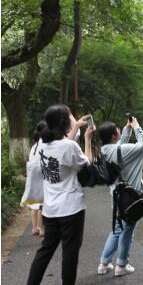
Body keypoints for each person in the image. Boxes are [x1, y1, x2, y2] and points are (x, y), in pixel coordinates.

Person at [26, 105, 93, 285]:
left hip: (50, 209)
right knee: (70, 253)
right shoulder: (70, 146)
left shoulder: (41, 144)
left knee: (45, 251)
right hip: (71, 208)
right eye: (70, 116)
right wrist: (87, 141)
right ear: (64, 123)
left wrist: (76, 126)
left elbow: (62, 144)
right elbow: (88, 165)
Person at [96, 117, 143, 277]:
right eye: (117, 129)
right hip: (129, 197)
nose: (120, 130)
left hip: (116, 195)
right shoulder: (122, 150)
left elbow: (119, 149)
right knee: (127, 231)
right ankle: (121, 265)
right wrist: (137, 127)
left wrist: (127, 129)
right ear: (113, 136)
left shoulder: (103, 151)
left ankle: (104, 263)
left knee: (117, 229)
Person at [22, 121, 48, 236]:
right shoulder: (45, 145)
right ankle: (42, 229)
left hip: (32, 175)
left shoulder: (34, 147)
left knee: (34, 204)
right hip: (41, 176)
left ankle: (34, 228)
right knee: (42, 203)